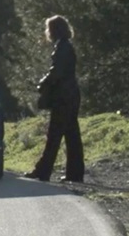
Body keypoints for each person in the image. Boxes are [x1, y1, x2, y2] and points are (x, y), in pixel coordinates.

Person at [25, 15, 85, 183]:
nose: (48, 33)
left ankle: (43, 172)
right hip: (72, 95)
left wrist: (43, 83)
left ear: (54, 30)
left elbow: (56, 72)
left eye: (49, 29)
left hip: (63, 97)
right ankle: (75, 174)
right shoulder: (66, 46)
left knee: (54, 135)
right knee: (72, 136)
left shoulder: (62, 48)